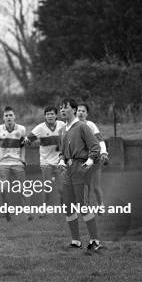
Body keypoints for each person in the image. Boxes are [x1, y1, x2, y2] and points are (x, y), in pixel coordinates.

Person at [58, 98, 102, 251]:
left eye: (66, 107)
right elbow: (62, 152)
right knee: (68, 207)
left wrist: (89, 161)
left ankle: (95, 241)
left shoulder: (82, 127)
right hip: (68, 171)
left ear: (74, 110)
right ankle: (76, 241)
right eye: (61, 108)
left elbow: (95, 146)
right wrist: (61, 161)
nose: (62, 110)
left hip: (80, 168)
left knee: (83, 206)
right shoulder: (62, 130)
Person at [26, 106, 66, 214]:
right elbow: (28, 139)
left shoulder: (63, 125)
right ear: (45, 116)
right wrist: (24, 141)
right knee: (47, 188)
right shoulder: (40, 128)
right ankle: (44, 210)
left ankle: (64, 206)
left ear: (56, 115)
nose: (50, 116)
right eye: (47, 114)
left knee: (62, 188)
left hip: (60, 162)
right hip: (45, 162)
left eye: (52, 114)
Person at [0, 106, 30, 221]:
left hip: (17, 163)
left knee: (23, 188)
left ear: (14, 116)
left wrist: (23, 159)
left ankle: (28, 213)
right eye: (6, 115)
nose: (8, 117)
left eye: (10, 115)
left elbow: (23, 145)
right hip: (3, 164)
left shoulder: (21, 129)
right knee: (4, 189)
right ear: (3, 118)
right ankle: (7, 212)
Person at [76, 104, 109, 211]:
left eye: (83, 111)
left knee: (96, 187)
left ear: (87, 114)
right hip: (81, 161)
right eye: (79, 110)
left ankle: (101, 205)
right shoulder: (72, 126)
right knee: (84, 185)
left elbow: (100, 140)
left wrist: (104, 153)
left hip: (95, 160)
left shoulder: (91, 125)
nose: (80, 112)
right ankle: (85, 207)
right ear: (75, 112)